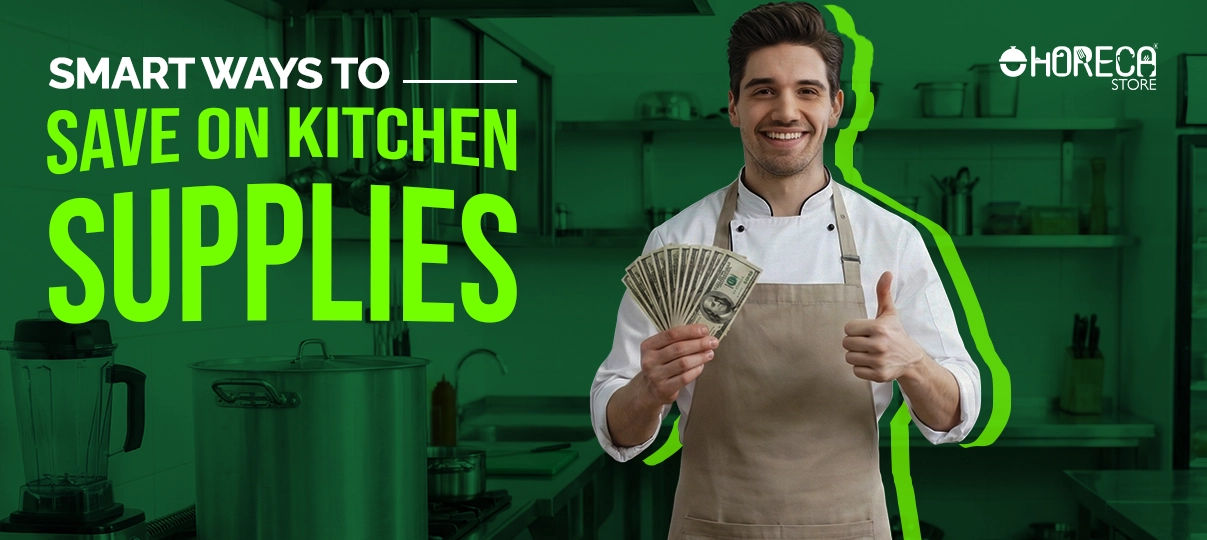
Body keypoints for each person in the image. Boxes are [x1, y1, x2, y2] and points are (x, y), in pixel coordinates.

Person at [589, 3, 982, 538]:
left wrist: (913, 362)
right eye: (763, 90)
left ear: (836, 106)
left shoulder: (890, 240)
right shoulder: (677, 242)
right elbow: (616, 427)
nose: (786, 110)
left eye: (808, 90)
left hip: (847, 527)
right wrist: (648, 389)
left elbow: (955, 415)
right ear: (733, 105)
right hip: (714, 526)